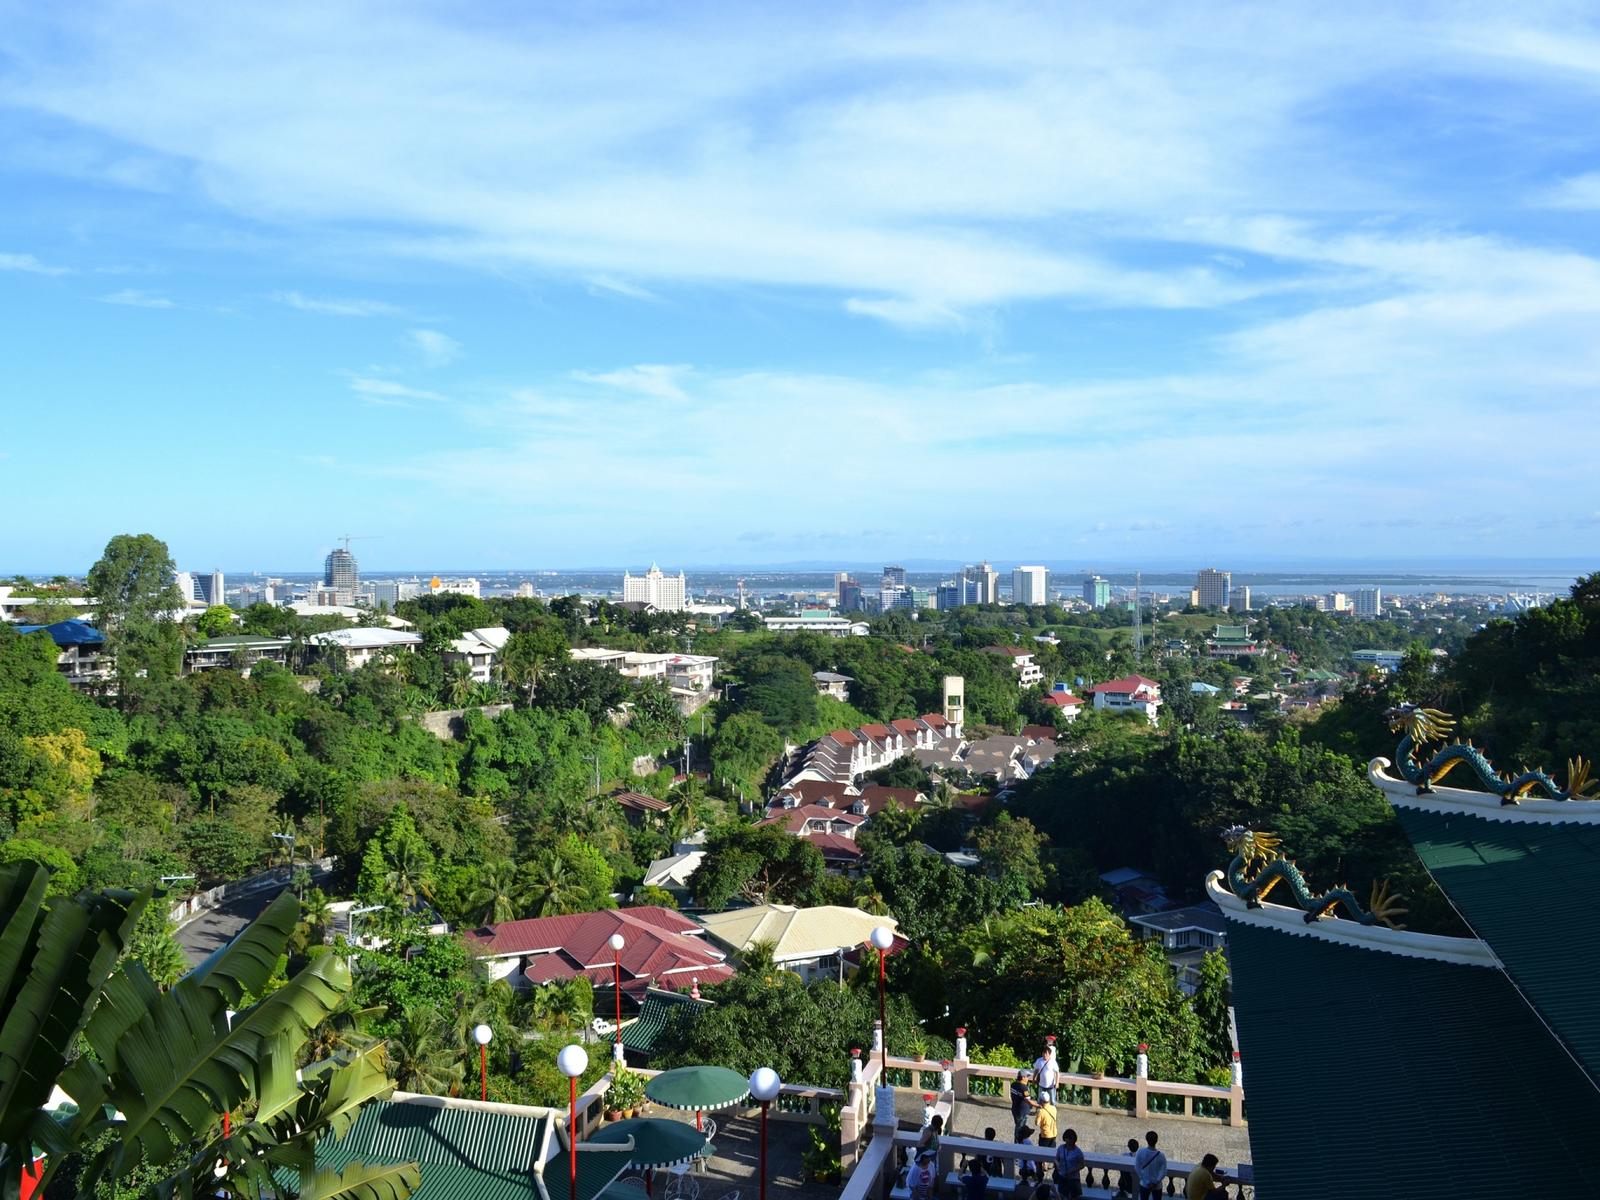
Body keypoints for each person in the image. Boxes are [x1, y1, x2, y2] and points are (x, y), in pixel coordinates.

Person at [1133, 1131, 1167, 1200]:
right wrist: (1156, 1182)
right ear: (1156, 1140)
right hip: (1157, 1185)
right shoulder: (1161, 1155)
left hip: (1144, 1184)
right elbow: (1163, 1171)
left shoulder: (1140, 1152)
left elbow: (1137, 1168)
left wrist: (1146, 1181)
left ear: (1146, 1139)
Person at [1052, 1129, 1085, 1199]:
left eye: (1070, 1139)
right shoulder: (1061, 1148)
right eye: (1067, 1138)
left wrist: (1072, 1171)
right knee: (1062, 1195)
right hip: (1062, 1177)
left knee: (1074, 1197)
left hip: (1073, 1178)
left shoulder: (1078, 1152)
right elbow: (1056, 1159)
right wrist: (1058, 1165)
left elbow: (1082, 1165)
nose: (1069, 1141)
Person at [1010, 1070, 1034, 1139]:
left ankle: (1018, 1140)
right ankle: (1017, 1142)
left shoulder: (1013, 1084)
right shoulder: (1024, 1088)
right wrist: (1037, 1105)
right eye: (1027, 1076)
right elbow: (1028, 1100)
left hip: (1015, 1109)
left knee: (1018, 1125)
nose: (1028, 1078)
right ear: (1023, 1077)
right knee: (1020, 1128)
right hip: (1022, 1111)